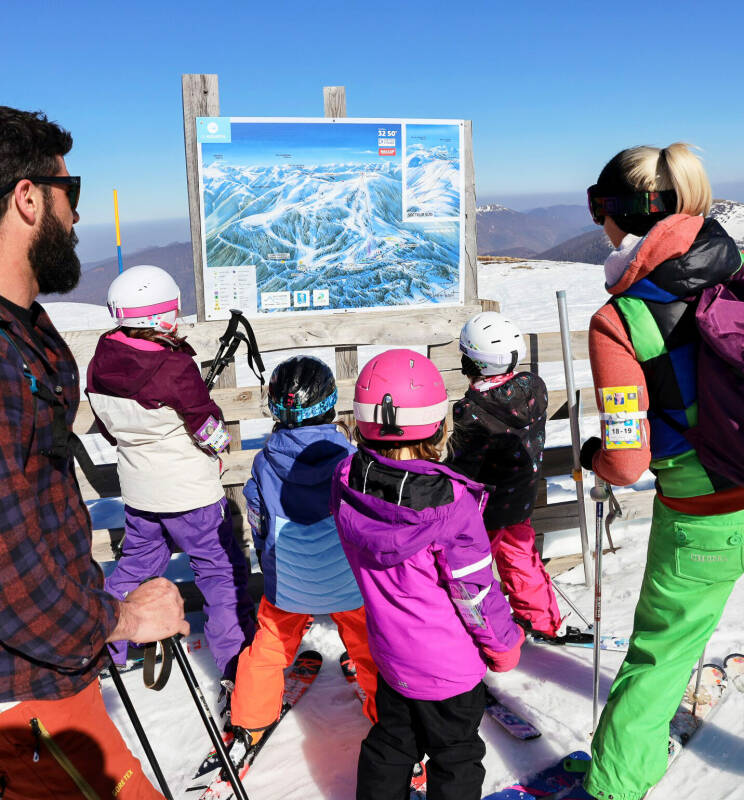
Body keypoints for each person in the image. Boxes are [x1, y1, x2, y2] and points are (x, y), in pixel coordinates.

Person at [0, 106, 188, 799]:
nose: (76, 218)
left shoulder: (25, 331)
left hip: (44, 674)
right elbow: (6, 567)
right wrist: (119, 618)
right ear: (27, 198)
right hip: (25, 697)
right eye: (68, 194)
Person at [579, 143, 744, 800]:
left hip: (704, 517)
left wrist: (593, 457)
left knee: (659, 658)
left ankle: (613, 788)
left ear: (615, 212)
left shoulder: (619, 319)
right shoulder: (736, 268)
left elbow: (626, 463)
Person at [331, 348, 525, 800]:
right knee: (455, 755)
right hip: (448, 669)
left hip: (392, 656)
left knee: (392, 743)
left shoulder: (345, 479)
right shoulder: (450, 504)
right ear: (438, 424)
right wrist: (503, 644)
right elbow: (474, 592)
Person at [86, 265, 255, 693]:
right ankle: (237, 664)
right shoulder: (174, 366)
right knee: (219, 572)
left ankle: (102, 644)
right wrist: (220, 444)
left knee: (136, 565)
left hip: (142, 494)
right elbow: (205, 427)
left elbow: (109, 428)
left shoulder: (100, 360)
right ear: (161, 318)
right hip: (192, 496)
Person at [230, 355, 378, 743]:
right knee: (369, 646)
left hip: (289, 584)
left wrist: (269, 564)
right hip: (348, 581)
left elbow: (259, 524)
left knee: (268, 649)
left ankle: (250, 720)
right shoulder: (351, 460)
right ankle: (389, 718)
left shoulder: (265, 464)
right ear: (330, 403)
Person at [446, 311, 562, 638]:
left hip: (486, 509)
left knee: (473, 569)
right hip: (523, 496)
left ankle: (482, 629)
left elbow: (464, 467)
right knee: (521, 560)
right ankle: (543, 622)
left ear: (473, 363)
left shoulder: (471, 410)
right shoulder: (534, 386)